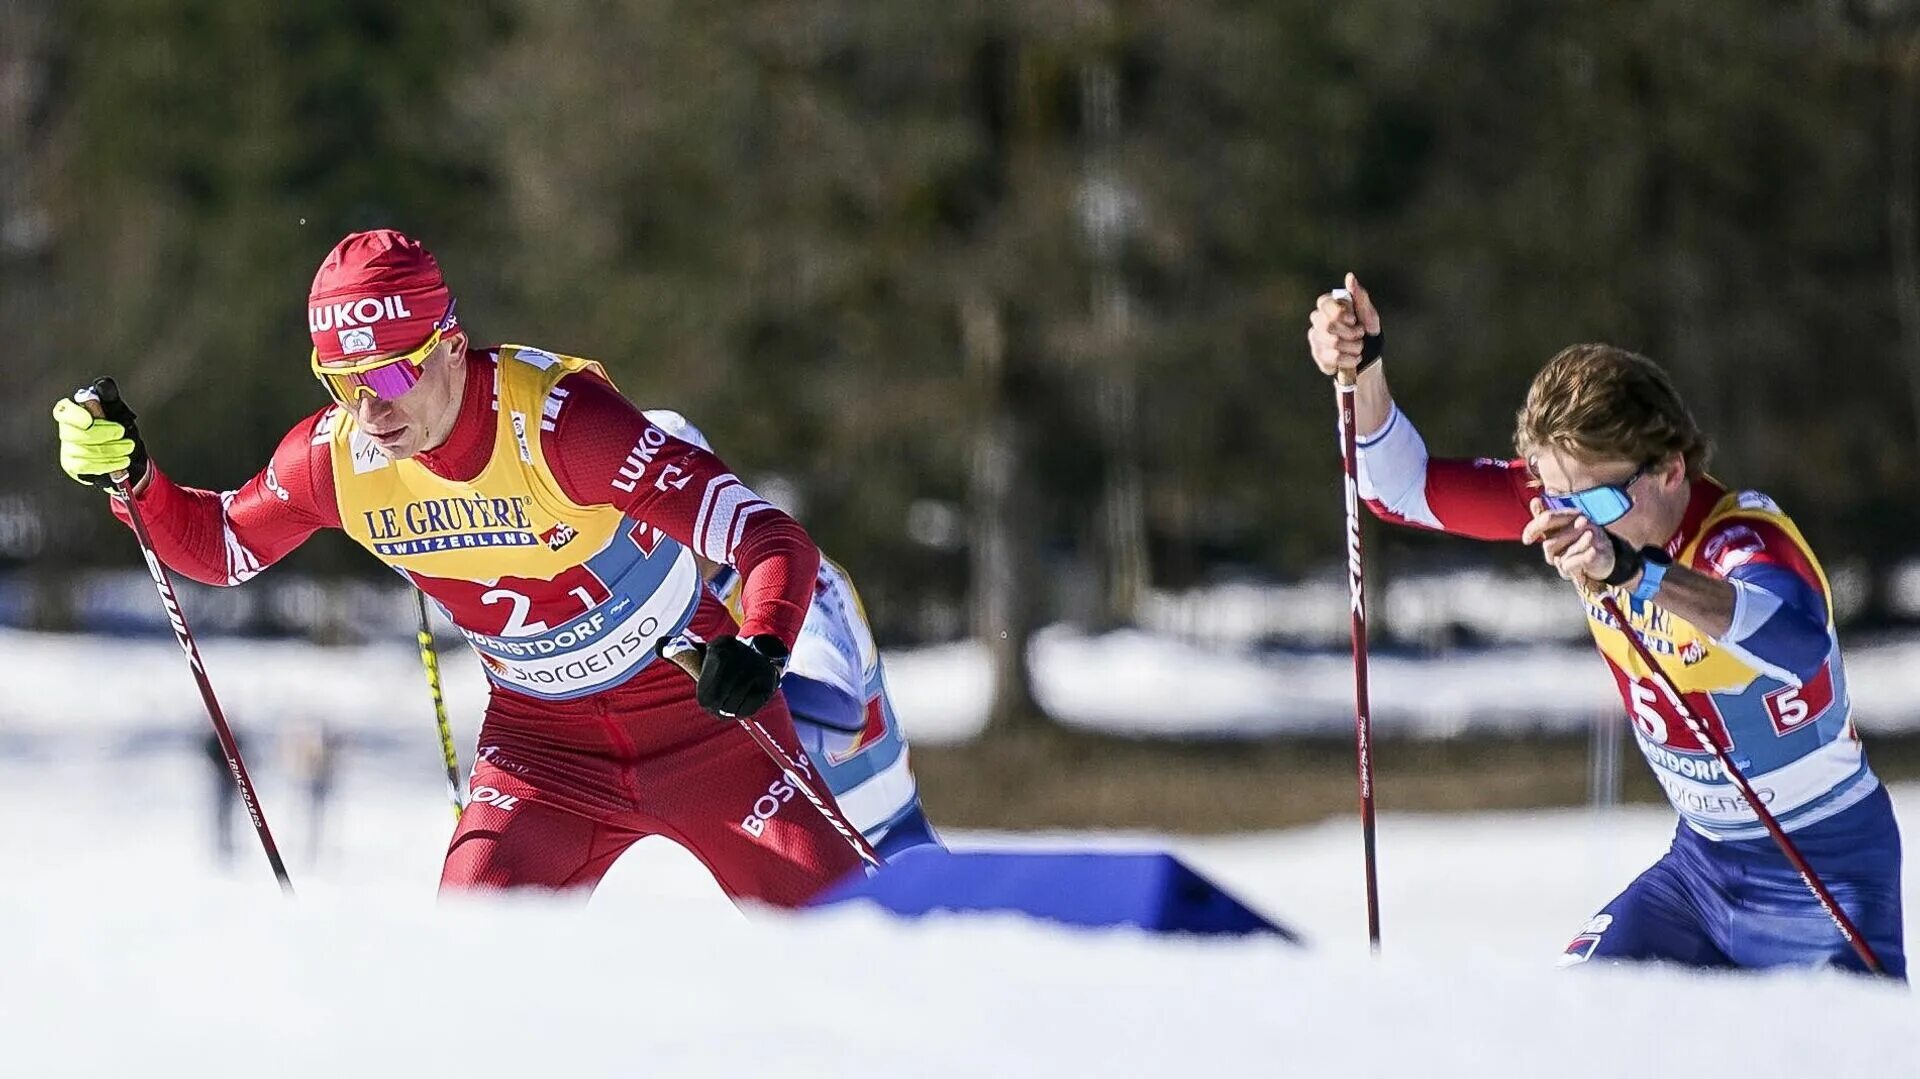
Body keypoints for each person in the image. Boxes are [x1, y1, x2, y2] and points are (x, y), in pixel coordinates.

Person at [54, 228, 861, 905]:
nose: (370, 409)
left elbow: (767, 536)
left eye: (391, 374)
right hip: (542, 755)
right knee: (460, 979)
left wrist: (763, 645)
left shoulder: (562, 427)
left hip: (701, 727)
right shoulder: (337, 458)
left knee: (864, 950)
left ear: (448, 344)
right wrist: (136, 477)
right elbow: (223, 546)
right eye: (341, 380)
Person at [1307, 273, 1905, 978]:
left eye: (1593, 496)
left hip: (1825, 873)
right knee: (1567, 1020)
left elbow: (1797, 644)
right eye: (1555, 493)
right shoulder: (1576, 502)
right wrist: (1364, 368)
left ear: (1670, 469)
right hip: (1701, 876)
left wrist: (1638, 574)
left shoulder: (1741, 536)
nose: (1570, 517)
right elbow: (1397, 490)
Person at [645, 410, 941, 860]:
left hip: (881, 850)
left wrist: (732, 685)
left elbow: (839, 717)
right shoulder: (667, 600)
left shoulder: (789, 576)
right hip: (775, 858)